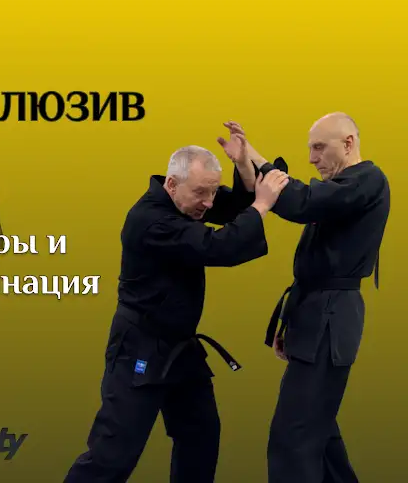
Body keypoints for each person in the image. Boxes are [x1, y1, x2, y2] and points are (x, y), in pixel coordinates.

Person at [63, 138, 289, 482]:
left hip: (181, 349)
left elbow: (232, 209)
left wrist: (243, 163)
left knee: (200, 435)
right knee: (114, 453)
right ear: (172, 183)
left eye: (212, 191)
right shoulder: (150, 221)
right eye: (202, 193)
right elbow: (219, 247)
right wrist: (262, 205)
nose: (208, 202)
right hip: (141, 347)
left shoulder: (187, 199)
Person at [222, 114, 390, 483]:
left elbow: (302, 202)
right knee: (320, 431)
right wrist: (292, 323)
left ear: (348, 143)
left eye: (319, 148)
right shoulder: (342, 188)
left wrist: (255, 156)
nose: (312, 158)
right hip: (316, 314)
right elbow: (306, 205)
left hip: (331, 316)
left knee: (294, 435)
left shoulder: (367, 180)